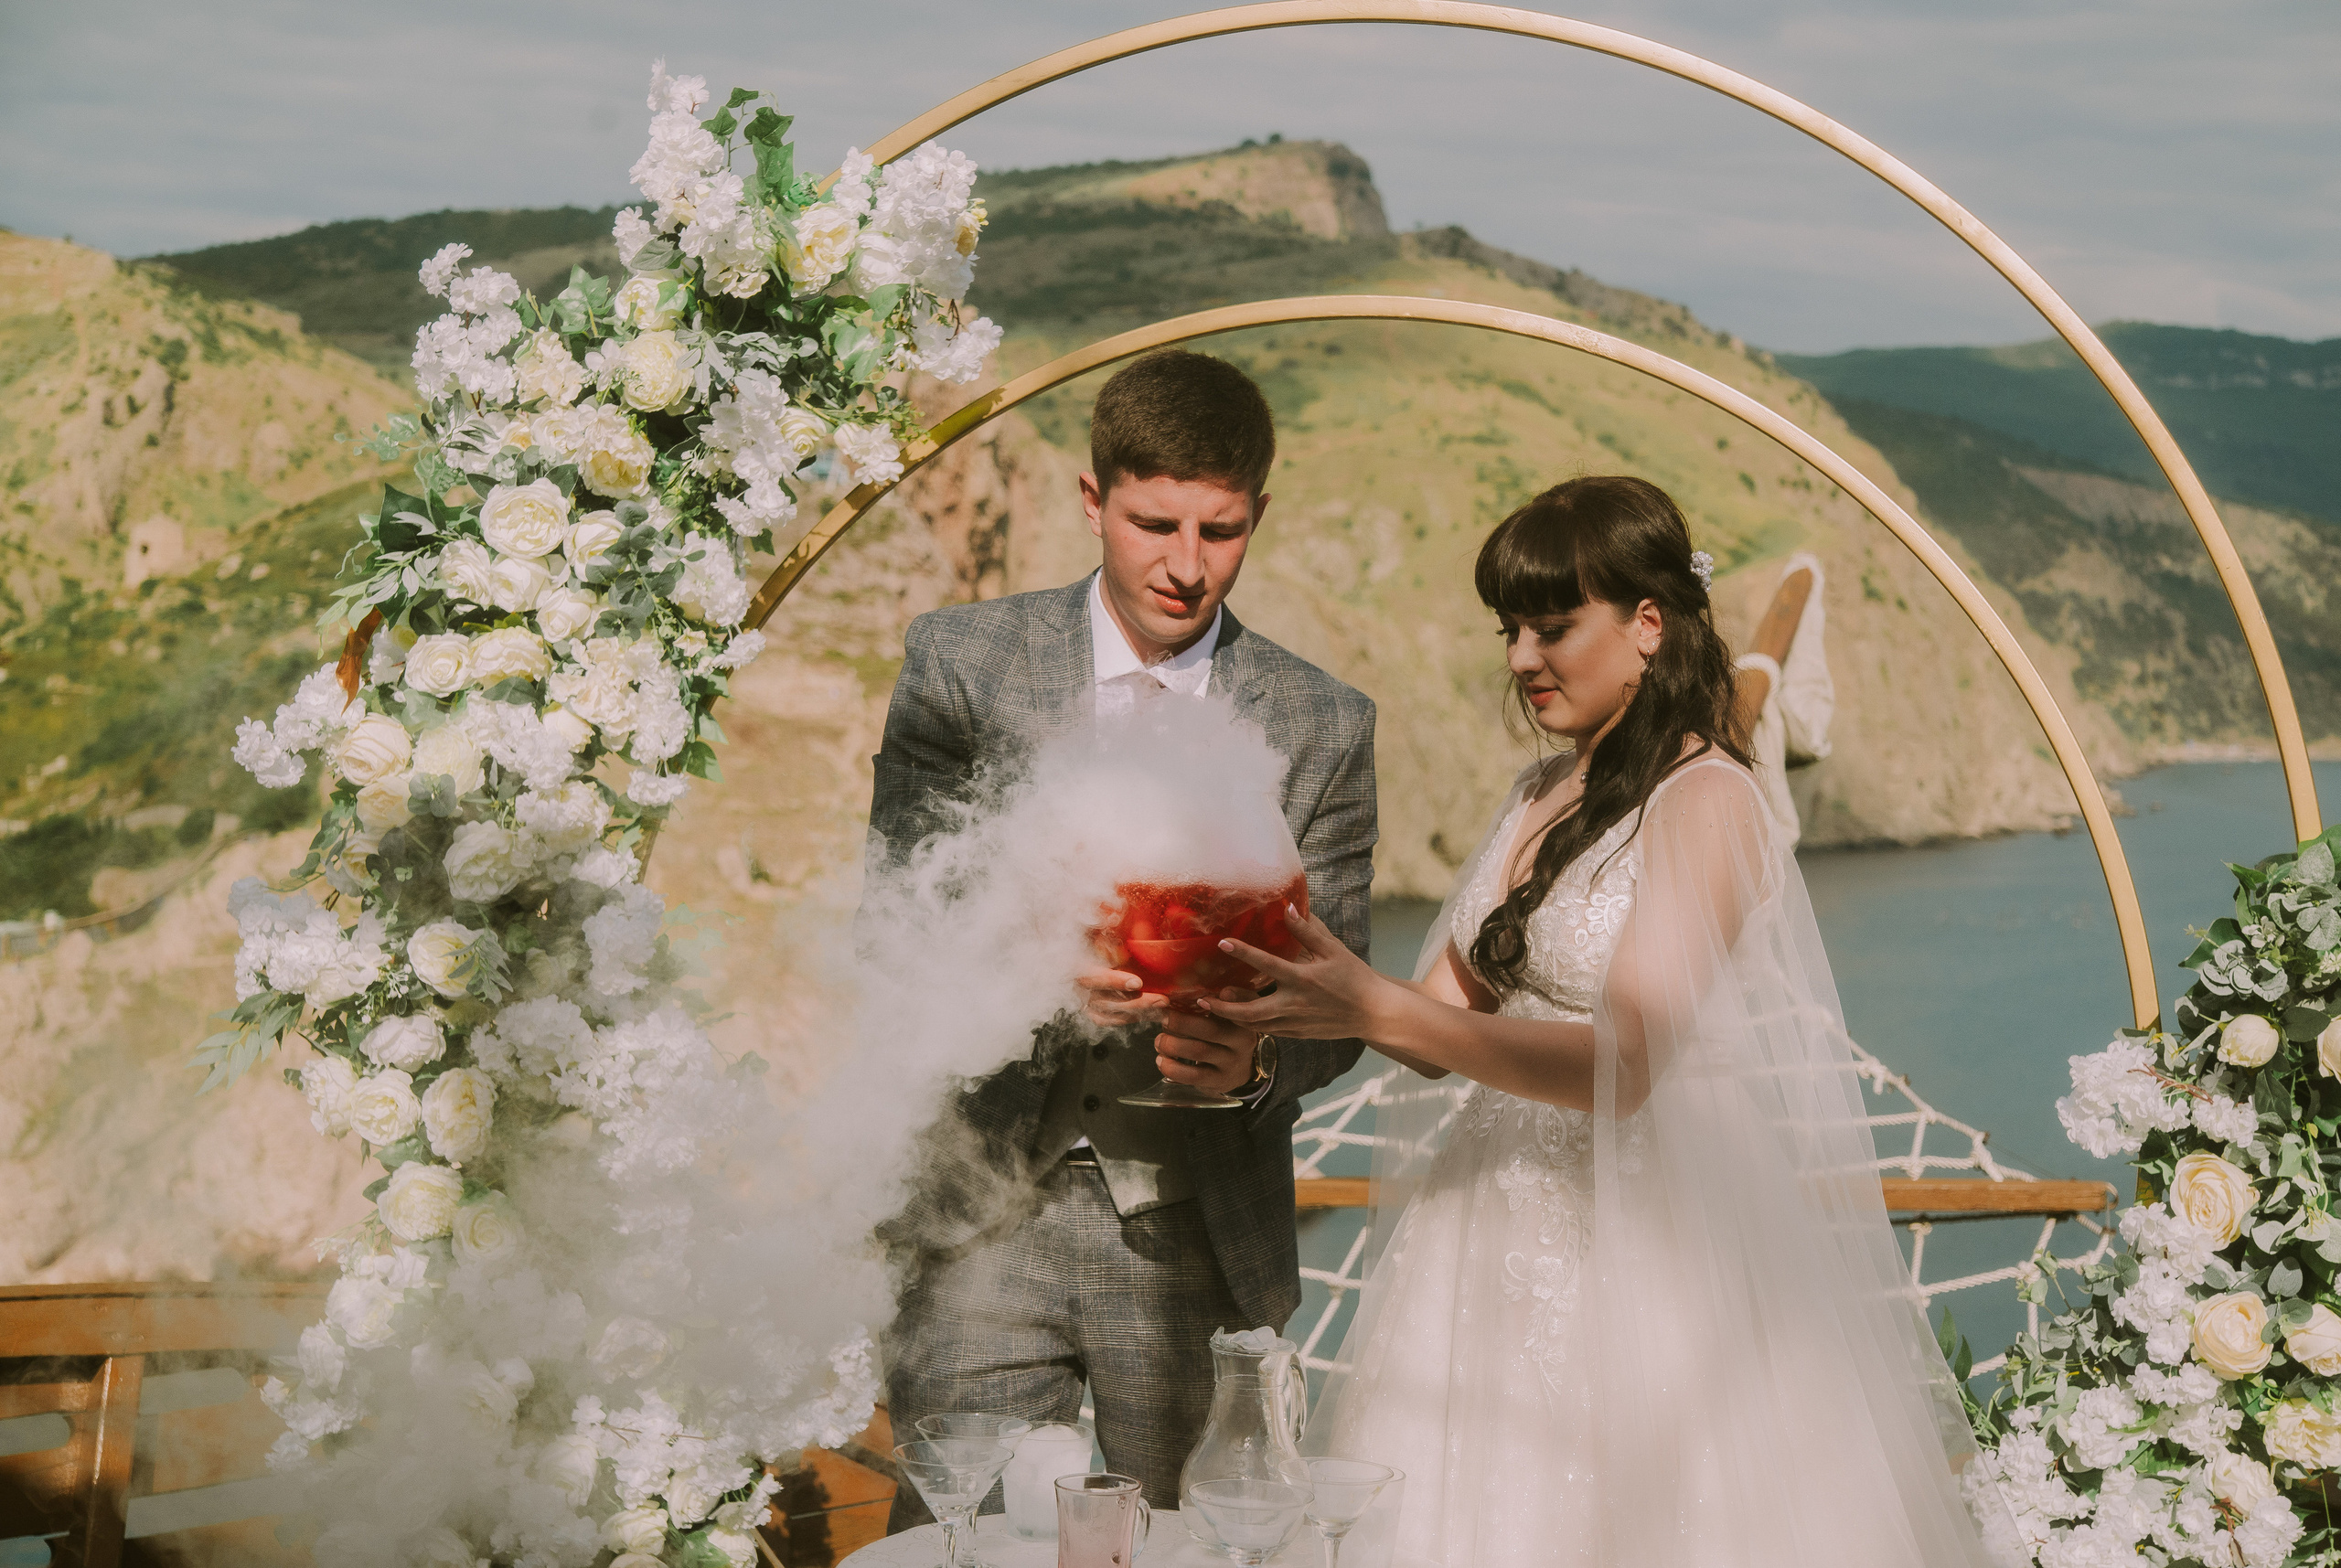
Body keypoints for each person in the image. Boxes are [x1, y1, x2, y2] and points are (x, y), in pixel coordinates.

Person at [1189, 477, 1995, 1565]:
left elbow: (1629, 1062)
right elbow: (1431, 1026)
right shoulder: (1535, 792)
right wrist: (1288, 994)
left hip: (1645, 1258)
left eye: (1552, 625)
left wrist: (1374, 1003)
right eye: (1508, 628)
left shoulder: (1705, 799)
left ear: (1648, 624)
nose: (1521, 657)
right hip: (1475, 1243)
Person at [868, 349, 1377, 1521]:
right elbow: (896, 908)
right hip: (985, 1202)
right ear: (1092, 499)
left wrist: (1257, 1063)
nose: (1187, 567)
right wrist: (1032, 966)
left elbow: (1338, 1003)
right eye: (1155, 524)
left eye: (1222, 530)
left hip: (1200, 1233)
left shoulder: (1324, 723)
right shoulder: (961, 663)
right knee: (964, 1536)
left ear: (1258, 514)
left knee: (1188, 1543)